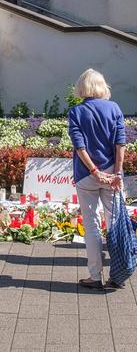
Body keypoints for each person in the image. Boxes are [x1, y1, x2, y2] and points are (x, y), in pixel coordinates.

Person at [68, 68, 125, 290]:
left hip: (86, 175)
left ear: (82, 88)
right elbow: (120, 143)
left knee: (91, 226)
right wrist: (117, 173)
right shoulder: (114, 108)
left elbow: (79, 145)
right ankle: (118, 275)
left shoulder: (76, 111)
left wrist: (94, 171)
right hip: (113, 173)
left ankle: (95, 276)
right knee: (115, 224)